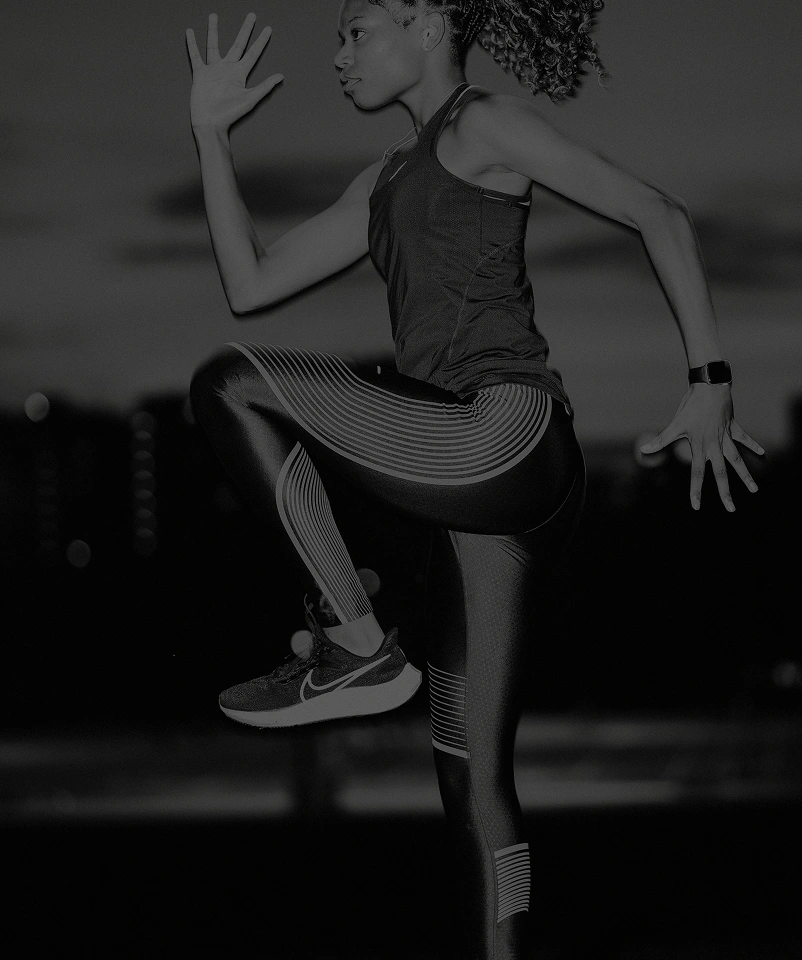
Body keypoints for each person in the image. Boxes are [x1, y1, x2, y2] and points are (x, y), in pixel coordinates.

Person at [185, 2, 763, 957]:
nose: (338, 56)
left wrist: (709, 381)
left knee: (232, 385)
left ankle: (356, 643)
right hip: (485, 512)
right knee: (471, 780)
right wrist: (211, 136)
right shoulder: (385, 179)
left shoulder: (478, 125)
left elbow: (657, 210)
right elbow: (249, 281)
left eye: (356, 29)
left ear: (429, 20)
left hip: (503, 434)